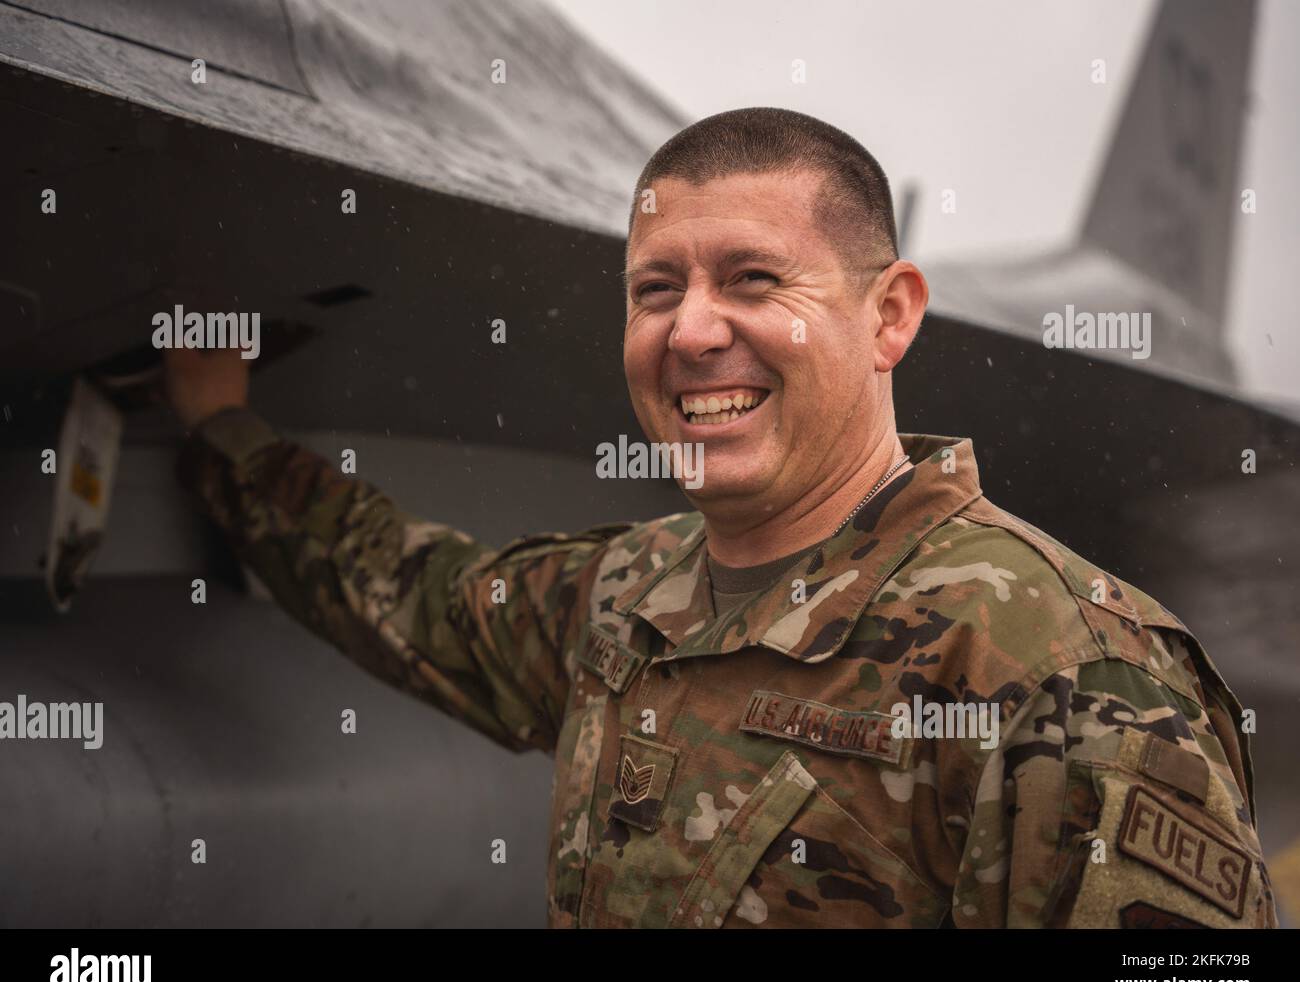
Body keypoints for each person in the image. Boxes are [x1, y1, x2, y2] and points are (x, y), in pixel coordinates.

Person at [165, 107, 1276, 929]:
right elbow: (409, 592)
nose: (690, 334)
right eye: (656, 290)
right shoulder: (627, 598)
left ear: (888, 315)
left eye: (752, 279)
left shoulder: (1071, 674)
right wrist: (223, 433)